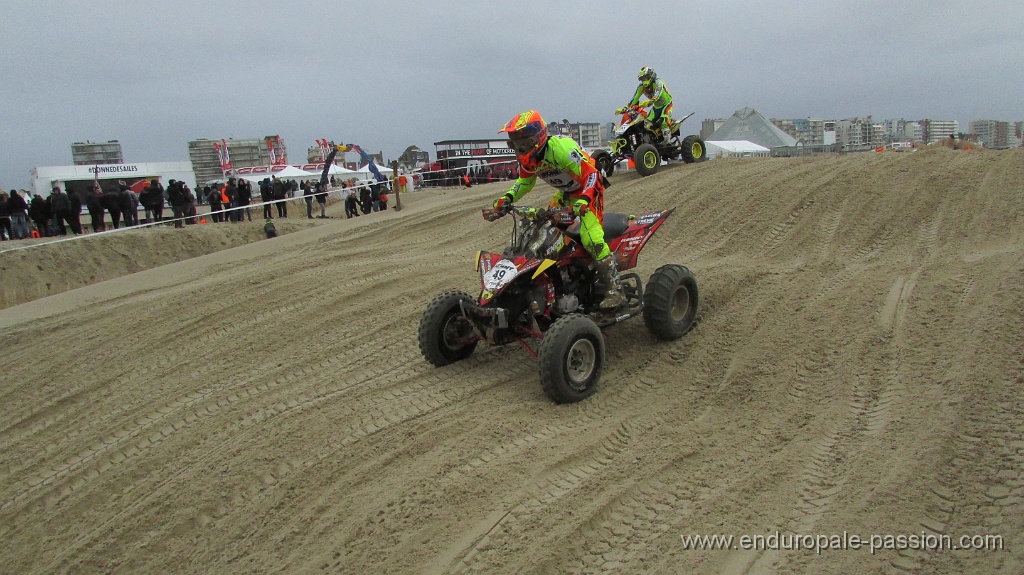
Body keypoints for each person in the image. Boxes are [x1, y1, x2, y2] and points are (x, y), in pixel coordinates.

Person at [487, 110, 624, 309]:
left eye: (522, 143)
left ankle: (615, 290)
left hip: (589, 191)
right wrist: (506, 198)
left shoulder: (561, 150)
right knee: (542, 231)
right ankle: (550, 281)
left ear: (537, 138)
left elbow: (592, 175)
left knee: (591, 238)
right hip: (565, 194)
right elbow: (525, 183)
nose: (519, 149)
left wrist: (584, 200)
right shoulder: (530, 159)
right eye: (515, 144)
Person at [617, 66, 674, 142]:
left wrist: (653, 99)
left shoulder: (658, 82)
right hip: (656, 107)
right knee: (646, 124)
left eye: (646, 78)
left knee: (664, 121)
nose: (644, 80)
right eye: (642, 79)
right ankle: (652, 140)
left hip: (666, 105)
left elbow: (658, 91)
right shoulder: (641, 87)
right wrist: (625, 108)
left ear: (651, 76)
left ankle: (667, 142)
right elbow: (634, 99)